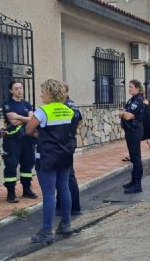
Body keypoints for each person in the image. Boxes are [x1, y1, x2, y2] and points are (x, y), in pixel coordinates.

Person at [25, 79, 75, 244]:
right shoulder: (68, 110)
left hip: (47, 156)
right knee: (64, 188)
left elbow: (29, 130)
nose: (41, 94)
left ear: (49, 93)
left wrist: (41, 136)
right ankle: (66, 224)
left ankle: (47, 231)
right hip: (65, 155)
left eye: (43, 91)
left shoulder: (42, 111)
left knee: (48, 193)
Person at [1, 81, 38, 203]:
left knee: (28, 164)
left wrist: (19, 117)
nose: (19, 90)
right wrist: (25, 119)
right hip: (12, 140)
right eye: (16, 88)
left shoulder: (26, 104)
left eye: (21, 88)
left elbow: (32, 120)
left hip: (27, 138)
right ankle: (11, 193)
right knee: (11, 165)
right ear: (11, 91)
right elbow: (13, 122)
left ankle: (26, 189)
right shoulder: (7, 104)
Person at [56, 83, 83, 216]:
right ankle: (69, 205)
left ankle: (71, 207)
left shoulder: (64, 106)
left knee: (66, 175)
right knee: (67, 174)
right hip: (70, 141)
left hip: (63, 143)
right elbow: (79, 120)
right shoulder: (73, 104)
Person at [121, 86, 150, 167]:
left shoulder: (139, 101)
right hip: (147, 122)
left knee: (135, 140)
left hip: (142, 123)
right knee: (147, 141)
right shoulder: (146, 101)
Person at [120, 79, 145, 194]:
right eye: (129, 87)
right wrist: (123, 113)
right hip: (130, 131)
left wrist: (124, 114)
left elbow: (128, 116)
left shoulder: (138, 100)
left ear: (137, 88)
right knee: (133, 157)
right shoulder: (132, 100)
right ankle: (133, 181)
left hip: (134, 131)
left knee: (136, 158)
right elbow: (123, 111)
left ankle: (137, 185)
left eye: (131, 87)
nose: (129, 89)